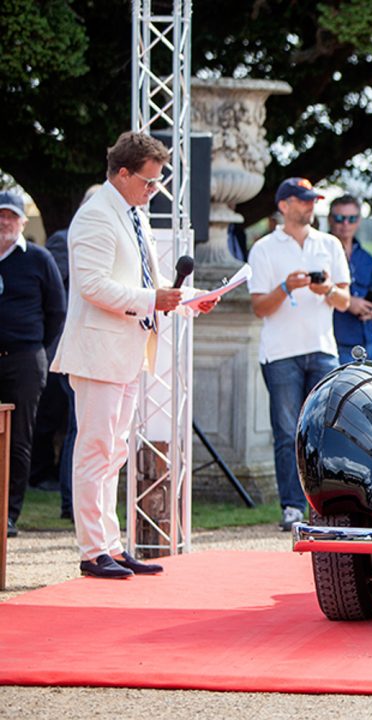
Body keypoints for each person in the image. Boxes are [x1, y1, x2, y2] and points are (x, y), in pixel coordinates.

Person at [50, 131, 218, 578]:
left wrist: (191, 299)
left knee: (114, 452)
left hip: (125, 349)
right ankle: (93, 551)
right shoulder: (96, 215)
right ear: (122, 173)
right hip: (98, 351)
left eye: (157, 182)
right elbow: (93, 286)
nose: (154, 190)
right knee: (96, 450)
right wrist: (152, 300)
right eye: (148, 181)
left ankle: (110, 545)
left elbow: (151, 281)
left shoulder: (133, 214)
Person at [249, 178, 351, 531]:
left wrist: (326, 289)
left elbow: (345, 301)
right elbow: (259, 307)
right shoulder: (264, 248)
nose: (310, 206)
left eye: (312, 201)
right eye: (303, 200)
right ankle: (292, 507)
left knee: (324, 433)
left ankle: (324, 507)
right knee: (287, 433)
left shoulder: (329, 243)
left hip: (322, 348)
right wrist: (285, 288)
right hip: (281, 352)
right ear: (284, 205)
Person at [30, 183, 100, 521]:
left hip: (98, 348)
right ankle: (70, 501)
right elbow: (54, 291)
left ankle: (77, 499)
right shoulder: (64, 239)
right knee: (73, 426)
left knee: (82, 426)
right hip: (68, 345)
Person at [0, 190, 66, 537]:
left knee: (18, 439)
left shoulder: (39, 259)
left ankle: (7, 515)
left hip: (24, 359)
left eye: (11, 216)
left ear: (23, 222)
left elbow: (57, 311)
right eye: (0, 215)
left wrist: (32, 345)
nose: (4, 222)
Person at [326, 194, 372, 364]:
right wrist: (347, 302)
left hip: (368, 344)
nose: (346, 224)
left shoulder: (367, 259)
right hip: (336, 345)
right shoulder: (320, 254)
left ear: (359, 221)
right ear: (330, 220)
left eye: (352, 219)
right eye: (340, 218)